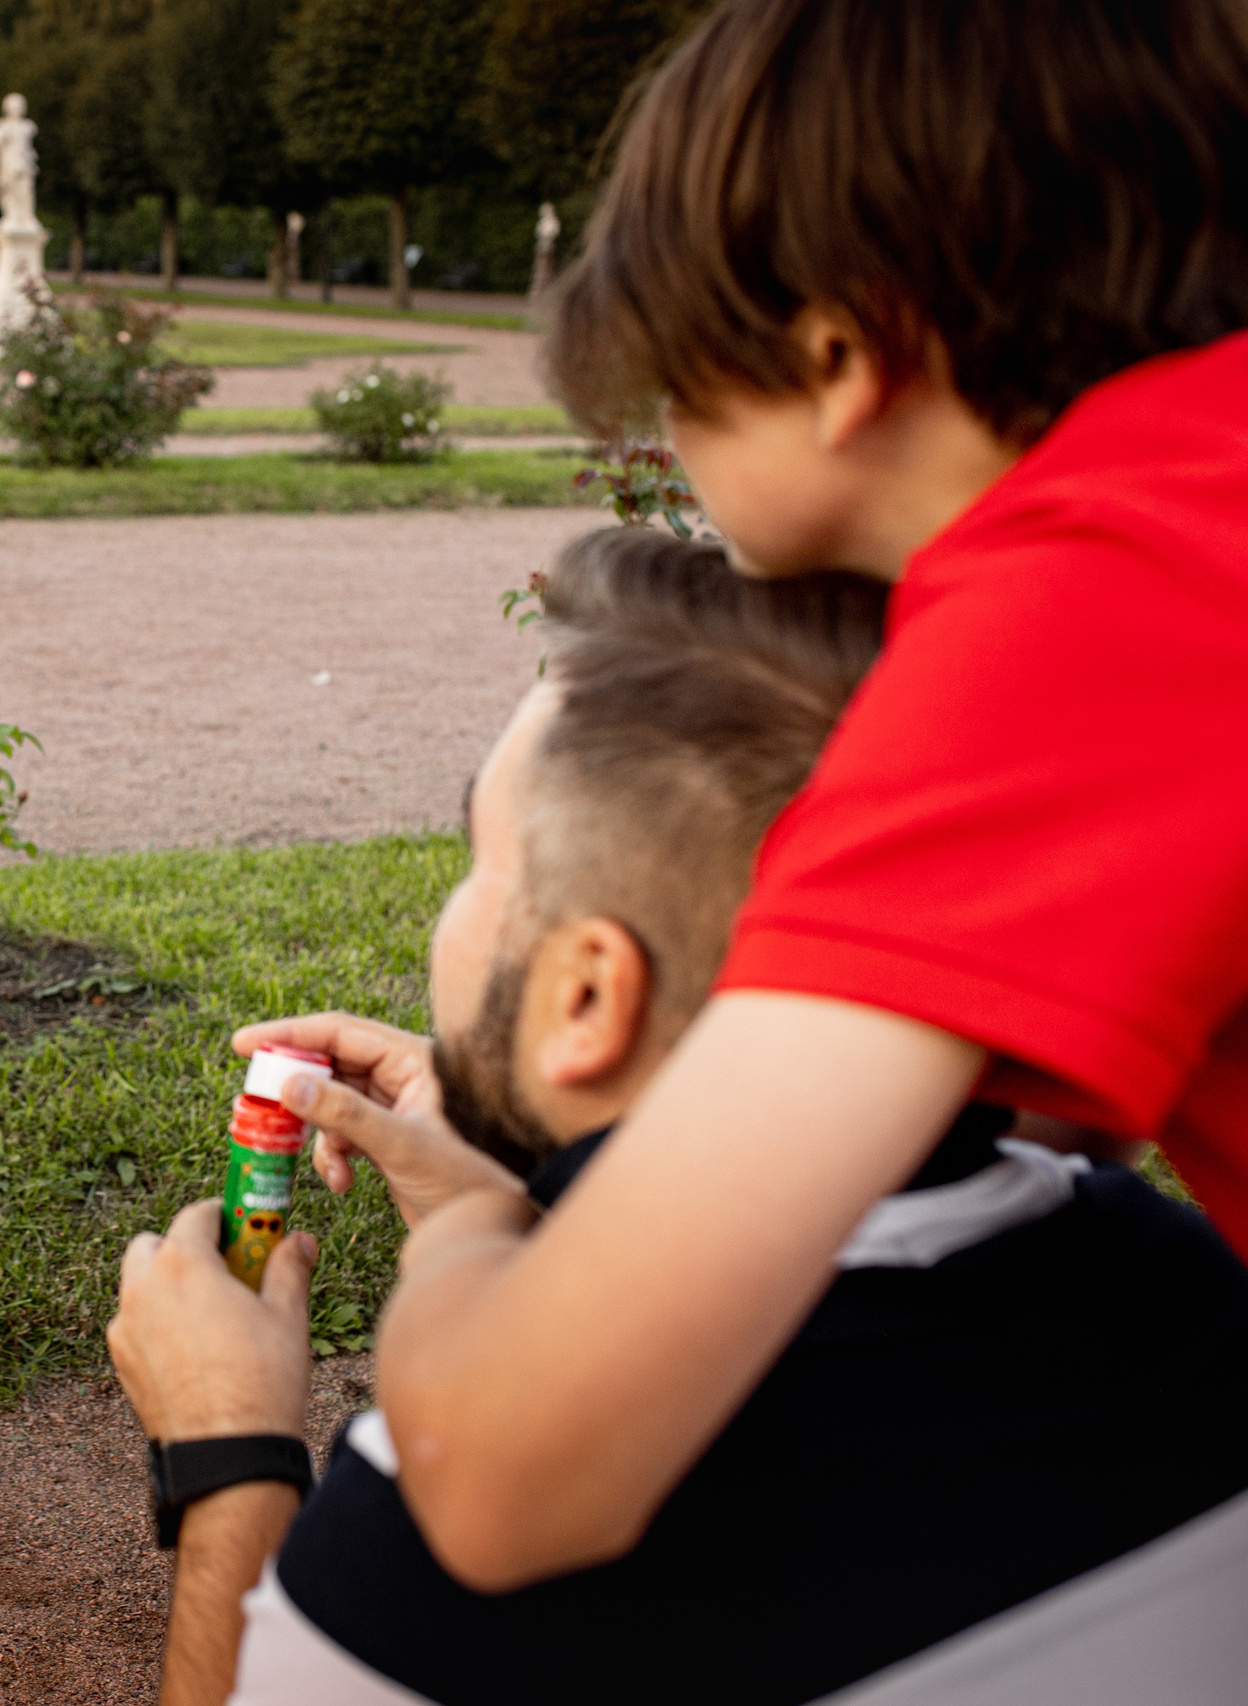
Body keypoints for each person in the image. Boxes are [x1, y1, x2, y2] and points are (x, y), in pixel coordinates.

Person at [124, 0, 1248, 1609]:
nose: (662, 437)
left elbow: (511, 1474)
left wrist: (467, 1221)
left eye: (676, 384)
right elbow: (1047, 1102)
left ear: (841, 352)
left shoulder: (1080, 614)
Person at [109, 529, 1248, 1704]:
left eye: (471, 862)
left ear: (589, 992)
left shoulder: (461, 1515)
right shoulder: (1186, 1281)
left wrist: (228, 1449)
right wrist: (490, 1192)